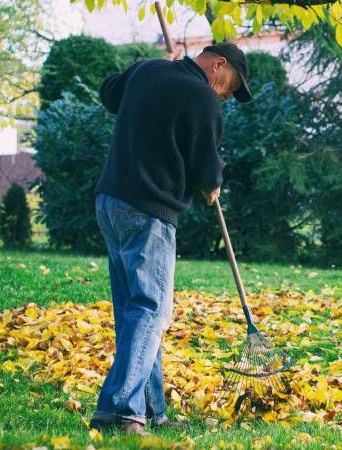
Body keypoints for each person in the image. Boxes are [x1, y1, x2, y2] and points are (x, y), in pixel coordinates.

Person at [88, 42, 251, 436]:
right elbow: (206, 169)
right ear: (219, 64)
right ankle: (121, 412)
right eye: (231, 85)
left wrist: (144, 67)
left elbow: (109, 93)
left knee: (134, 311)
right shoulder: (203, 99)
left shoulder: (148, 70)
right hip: (148, 211)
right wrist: (212, 184)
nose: (227, 94)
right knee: (152, 311)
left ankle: (151, 408)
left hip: (110, 202)